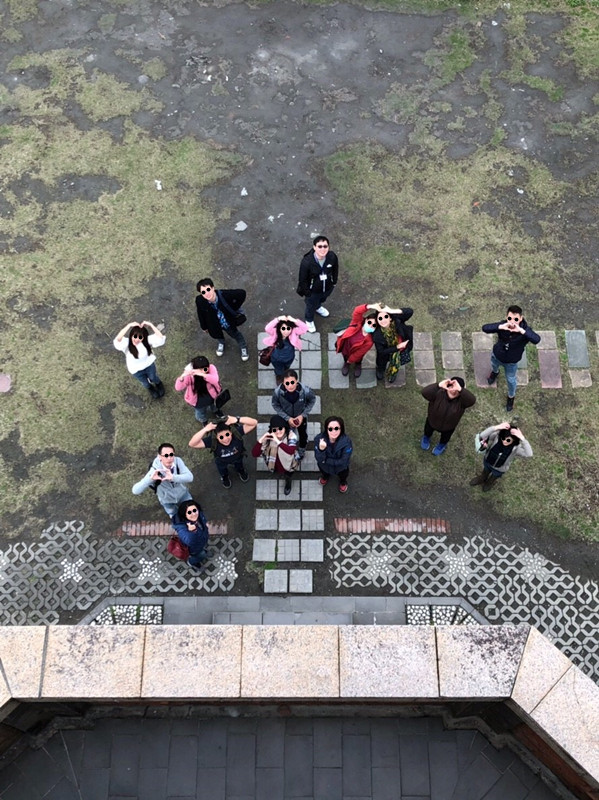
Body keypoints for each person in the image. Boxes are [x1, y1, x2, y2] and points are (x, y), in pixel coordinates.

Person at [482, 305, 541, 412]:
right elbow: (485, 328)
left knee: (511, 380)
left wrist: (521, 331)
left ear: (521, 318)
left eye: (516, 319)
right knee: (494, 365)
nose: (512, 321)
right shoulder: (503, 325)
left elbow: (536, 339)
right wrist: (500, 327)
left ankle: (511, 397)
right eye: (510, 318)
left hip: (511, 362)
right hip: (497, 354)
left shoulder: (525, 331)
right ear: (506, 317)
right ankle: (495, 373)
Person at [188, 414, 258, 488]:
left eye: (227, 434)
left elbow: (254, 423)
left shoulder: (236, 433)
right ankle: (225, 477)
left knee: (239, 465)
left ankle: (241, 471)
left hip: (238, 457)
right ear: (216, 437)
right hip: (221, 461)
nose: (225, 439)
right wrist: (205, 429)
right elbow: (192, 443)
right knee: (222, 470)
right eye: (221, 437)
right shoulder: (212, 440)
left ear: (231, 432)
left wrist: (237, 419)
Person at [132, 443, 193, 517]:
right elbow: (135, 490)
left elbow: (190, 477)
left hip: (183, 495)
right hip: (167, 500)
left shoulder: (178, 461)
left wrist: (173, 477)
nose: (169, 458)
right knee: (175, 518)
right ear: (160, 457)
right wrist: (150, 479)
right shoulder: (154, 470)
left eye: (171, 455)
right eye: (166, 455)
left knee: (194, 514)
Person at [195, 277, 249, 361]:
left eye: (208, 289)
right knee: (217, 334)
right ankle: (221, 342)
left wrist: (234, 307)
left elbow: (242, 293)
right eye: (203, 292)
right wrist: (204, 327)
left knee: (235, 334)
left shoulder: (224, 295)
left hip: (227, 322)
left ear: (213, 288)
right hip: (213, 324)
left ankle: (243, 346)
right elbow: (200, 314)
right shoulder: (200, 300)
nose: (207, 293)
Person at [420, 377, 476, 456]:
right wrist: (438, 385)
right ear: (447, 386)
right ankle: (426, 438)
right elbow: (424, 392)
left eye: (457, 390)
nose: (453, 391)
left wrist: (461, 389)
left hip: (449, 426)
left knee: (445, 438)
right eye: (452, 387)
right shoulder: (438, 393)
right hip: (432, 421)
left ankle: (441, 445)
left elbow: (472, 400)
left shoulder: (462, 402)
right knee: (428, 431)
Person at [470, 422, 533, 492]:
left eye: (508, 440)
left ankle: (489, 483)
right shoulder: (497, 437)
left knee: (494, 477)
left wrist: (522, 438)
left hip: (499, 469)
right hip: (488, 461)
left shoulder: (516, 448)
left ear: (514, 440)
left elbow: (529, 454)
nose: (504, 441)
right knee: (485, 472)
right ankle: (482, 478)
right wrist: (496, 427)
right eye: (503, 438)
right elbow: (482, 435)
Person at [296, 235, 339, 334]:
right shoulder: (307, 262)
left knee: (322, 299)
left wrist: (334, 282)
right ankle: (309, 320)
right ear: (314, 247)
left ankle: (318, 307)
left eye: (325, 246)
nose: (323, 249)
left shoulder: (332, 257)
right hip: (313, 292)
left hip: (327, 288)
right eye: (320, 246)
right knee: (310, 306)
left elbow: (335, 269)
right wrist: (308, 293)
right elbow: (302, 279)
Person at [271, 369, 316, 461]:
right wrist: (287, 418)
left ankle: (302, 450)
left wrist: (302, 415)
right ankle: (289, 449)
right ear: (283, 383)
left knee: (303, 435)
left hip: (301, 418)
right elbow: (275, 405)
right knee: (287, 435)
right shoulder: (278, 393)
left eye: (292, 382)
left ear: (297, 381)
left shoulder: (305, 391)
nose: (290, 386)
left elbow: (312, 400)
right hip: (285, 419)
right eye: (287, 383)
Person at [113, 320, 165, 399]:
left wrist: (151, 324)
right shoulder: (126, 343)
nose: (137, 339)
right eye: (135, 336)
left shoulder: (146, 341)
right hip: (136, 370)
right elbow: (117, 340)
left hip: (148, 365)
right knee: (145, 383)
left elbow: (161, 339)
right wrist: (129, 325)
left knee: (153, 377)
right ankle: (150, 388)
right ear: (131, 336)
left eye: (140, 337)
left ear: (143, 337)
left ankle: (158, 384)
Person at [251, 414, 299, 495]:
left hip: (289, 463)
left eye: (280, 428)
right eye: (275, 430)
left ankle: (288, 483)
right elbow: (255, 454)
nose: (278, 431)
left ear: (284, 428)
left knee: (288, 475)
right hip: (274, 463)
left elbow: (291, 450)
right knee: (277, 471)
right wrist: (261, 440)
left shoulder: (291, 435)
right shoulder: (269, 437)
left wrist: (277, 441)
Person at [372, 305, 414, 383]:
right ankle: (380, 370)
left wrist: (392, 311)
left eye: (386, 317)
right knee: (381, 363)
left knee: (396, 361)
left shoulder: (397, 321)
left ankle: (393, 373)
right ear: (377, 320)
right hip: (387, 353)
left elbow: (410, 312)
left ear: (390, 318)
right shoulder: (377, 335)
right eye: (380, 318)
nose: (383, 320)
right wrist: (397, 347)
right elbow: (381, 351)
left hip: (401, 349)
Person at [175, 355, 222, 423]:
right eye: (201, 369)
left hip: (212, 395)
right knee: (200, 411)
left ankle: (215, 410)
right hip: (198, 401)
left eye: (205, 368)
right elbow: (178, 388)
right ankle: (203, 419)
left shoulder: (211, 368)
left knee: (213, 404)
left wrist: (202, 374)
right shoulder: (190, 377)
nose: (205, 370)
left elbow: (215, 380)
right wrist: (182, 376)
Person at [335, 303, 379, 378]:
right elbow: (357, 311)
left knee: (358, 359)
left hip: (355, 353)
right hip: (345, 347)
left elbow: (359, 353)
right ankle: (346, 364)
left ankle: (357, 365)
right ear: (366, 320)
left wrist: (351, 360)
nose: (370, 325)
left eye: (374, 325)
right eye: (369, 322)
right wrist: (370, 306)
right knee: (345, 357)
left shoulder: (369, 341)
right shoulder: (356, 323)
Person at [262, 315, 309, 383]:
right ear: (279, 328)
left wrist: (295, 320)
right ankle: (279, 376)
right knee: (278, 369)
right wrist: (277, 319)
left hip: (289, 357)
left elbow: (305, 328)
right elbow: (267, 328)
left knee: (287, 368)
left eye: (288, 328)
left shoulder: (294, 332)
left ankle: (284, 372)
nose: (286, 331)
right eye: (283, 328)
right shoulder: (275, 333)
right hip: (276, 358)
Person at [314, 416, 353, 493]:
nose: (333, 431)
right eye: (330, 429)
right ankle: (325, 477)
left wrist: (326, 460)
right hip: (325, 467)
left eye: (336, 428)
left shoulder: (346, 442)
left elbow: (343, 460)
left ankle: (343, 482)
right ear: (326, 429)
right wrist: (321, 450)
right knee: (324, 473)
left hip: (341, 468)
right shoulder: (319, 439)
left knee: (343, 476)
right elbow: (319, 459)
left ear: (341, 429)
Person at [171, 499, 210, 570]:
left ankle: (203, 550)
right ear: (184, 515)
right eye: (189, 512)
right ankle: (191, 562)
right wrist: (193, 531)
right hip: (194, 549)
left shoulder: (198, 515)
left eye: (195, 510)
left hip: (202, 540)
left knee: (202, 551)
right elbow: (189, 541)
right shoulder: (182, 528)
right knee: (201, 555)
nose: (194, 514)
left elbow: (203, 521)